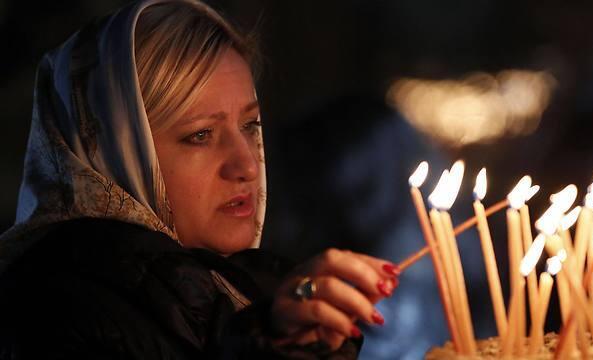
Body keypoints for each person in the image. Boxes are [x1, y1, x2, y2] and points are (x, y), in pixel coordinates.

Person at [0, 0, 399, 358]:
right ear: (117, 153)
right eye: (200, 135)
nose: (246, 165)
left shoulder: (239, 287)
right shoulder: (58, 313)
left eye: (249, 125)